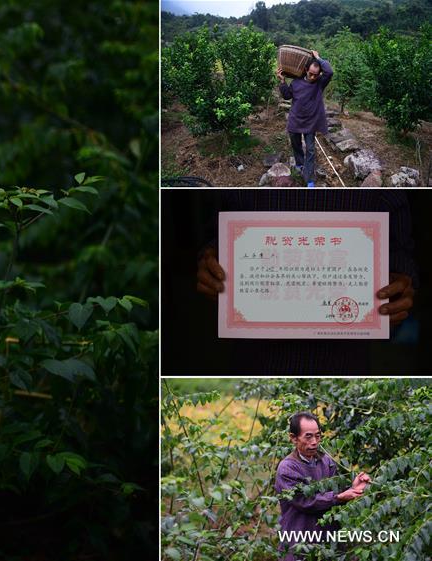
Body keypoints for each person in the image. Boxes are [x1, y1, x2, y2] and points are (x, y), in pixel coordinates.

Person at [195, 190, 417, 375]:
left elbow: (400, 250)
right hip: (254, 353)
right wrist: (212, 260)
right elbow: (217, 228)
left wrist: (400, 286)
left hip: (345, 356)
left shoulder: (382, 195)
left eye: (315, 431)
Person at [274, 412, 371, 561]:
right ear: (293, 438)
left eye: (318, 436)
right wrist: (338, 497)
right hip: (299, 541)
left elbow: (335, 489)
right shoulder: (288, 468)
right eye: (308, 436)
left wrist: (353, 486)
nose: (314, 442)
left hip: (327, 540)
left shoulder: (326, 461)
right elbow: (306, 501)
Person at [276, 50, 333, 188]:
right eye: (310, 73)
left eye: (316, 74)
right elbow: (287, 96)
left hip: (311, 122)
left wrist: (318, 58)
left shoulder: (320, 83)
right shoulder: (296, 83)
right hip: (295, 120)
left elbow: (329, 72)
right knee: (296, 146)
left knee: (311, 150)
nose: (313, 77)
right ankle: (300, 165)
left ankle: (309, 178)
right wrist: (283, 81)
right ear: (306, 70)